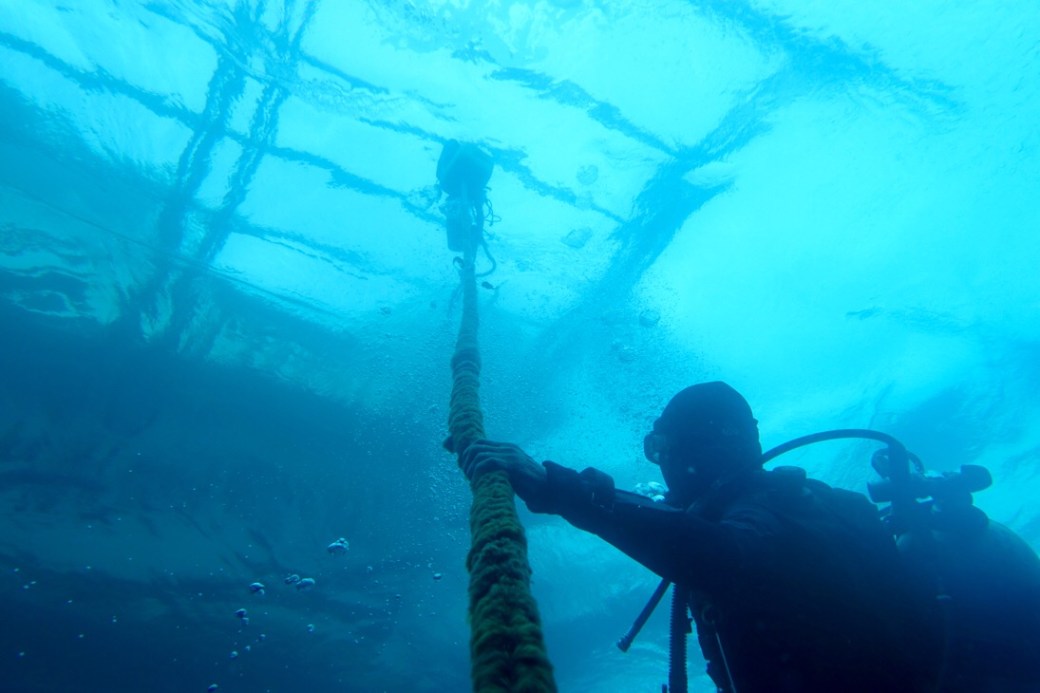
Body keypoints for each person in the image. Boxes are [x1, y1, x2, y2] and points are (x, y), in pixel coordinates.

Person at [461, 382, 946, 692]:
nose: (662, 464)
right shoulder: (798, 504)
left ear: (704, 447)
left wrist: (555, 487)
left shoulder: (773, 512)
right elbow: (679, 527)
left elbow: (723, 555)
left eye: (662, 447)